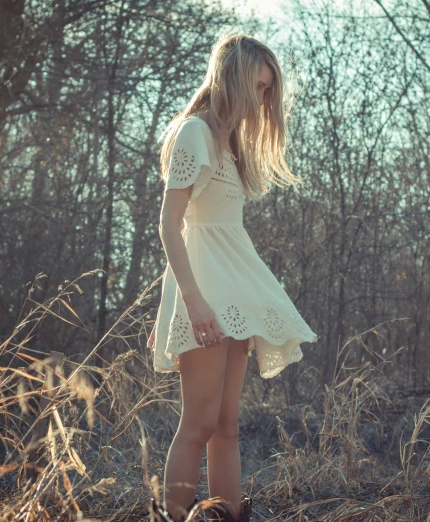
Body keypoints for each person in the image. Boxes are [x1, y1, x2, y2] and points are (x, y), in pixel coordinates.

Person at [146, 33, 317, 522]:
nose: (262, 101)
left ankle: (227, 517)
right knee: (198, 423)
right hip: (207, 294)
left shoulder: (228, 143)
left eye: (268, 91)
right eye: (257, 88)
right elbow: (171, 225)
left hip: (236, 288)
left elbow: (210, 228)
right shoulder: (194, 133)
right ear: (233, 80)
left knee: (227, 425)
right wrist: (187, 303)